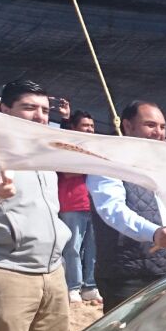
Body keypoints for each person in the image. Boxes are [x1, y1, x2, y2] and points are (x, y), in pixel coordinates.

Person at [0, 79, 72, 331]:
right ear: (5, 110)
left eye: (44, 109)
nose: (39, 116)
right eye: (29, 108)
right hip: (8, 271)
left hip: (53, 272)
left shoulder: (43, 152)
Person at [88, 100, 166, 312]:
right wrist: (154, 233)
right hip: (129, 275)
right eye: (150, 125)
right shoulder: (108, 161)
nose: (158, 132)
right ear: (127, 125)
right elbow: (112, 210)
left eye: (162, 127)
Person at [56, 109, 100, 305]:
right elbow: (67, 171)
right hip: (72, 203)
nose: (89, 129)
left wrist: (88, 164)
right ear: (73, 127)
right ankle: (73, 287)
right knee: (73, 248)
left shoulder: (95, 147)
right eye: (85, 125)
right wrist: (92, 164)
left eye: (92, 126)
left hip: (93, 204)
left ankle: (90, 286)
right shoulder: (65, 147)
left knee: (93, 248)